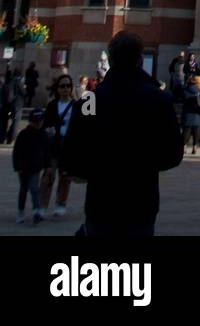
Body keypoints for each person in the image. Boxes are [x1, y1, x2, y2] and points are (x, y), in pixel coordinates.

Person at [62, 30, 182, 236]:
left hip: (101, 201)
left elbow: (72, 157)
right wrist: (144, 164)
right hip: (141, 200)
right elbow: (173, 154)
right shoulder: (157, 99)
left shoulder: (90, 101)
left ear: (110, 59)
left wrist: (99, 169)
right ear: (139, 59)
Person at [41, 73, 77, 215]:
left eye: (68, 85)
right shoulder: (52, 105)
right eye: (62, 86)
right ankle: (42, 205)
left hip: (67, 145)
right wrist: (48, 129)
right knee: (48, 175)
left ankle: (61, 203)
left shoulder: (76, 105)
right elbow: (46, 123)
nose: (66, 89)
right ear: (57, 89)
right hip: (53, 144)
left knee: (64, 176)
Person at [13, 107, 49, 225]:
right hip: (23, 167)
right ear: (31, 121)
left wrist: (47, 165)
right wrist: (17, 167)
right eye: (35, 121)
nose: (38, 124)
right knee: (23, 190)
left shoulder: (43, 134)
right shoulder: (23, 134)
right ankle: (21, 211)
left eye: (40, 121)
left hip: (35, 167)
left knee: (34, 188)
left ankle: (36, 210)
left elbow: (46, 151)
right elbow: (16, 152)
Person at [181, 74, 200, 155]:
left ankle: (184, 147)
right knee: (196, 133)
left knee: (185, 133)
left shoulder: (184, 90)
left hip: (187, 114)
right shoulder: (198, 91)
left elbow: (181, 99)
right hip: (196, 115)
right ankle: (194, 147)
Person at [4, 68, 26, 144]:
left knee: (14, 121)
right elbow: (24, 92)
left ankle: (9, 136)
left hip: (12, 104)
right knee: (16, 122)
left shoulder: (10, 81)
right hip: (18, 104)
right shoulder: (19, 82)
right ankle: (12, 137)